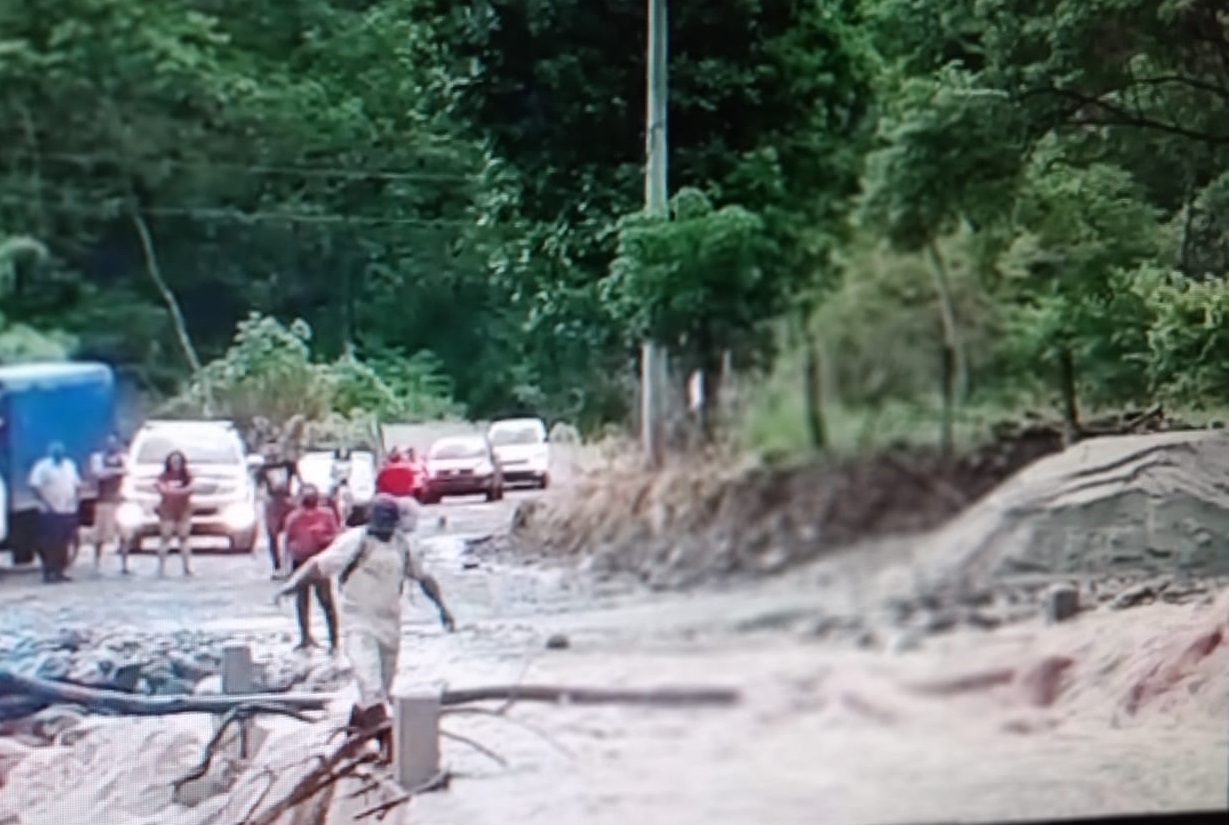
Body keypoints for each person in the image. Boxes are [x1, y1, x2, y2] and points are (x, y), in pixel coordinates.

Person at [276, 495, 455, 758]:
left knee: (380, 690)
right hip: (358, 625)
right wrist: (291, 585)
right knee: (371, 686)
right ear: (370, 518)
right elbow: (318, 565)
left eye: (388, 523)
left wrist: (443, 609)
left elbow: (424, 577)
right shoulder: (355, 541)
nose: (383, 528)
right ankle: (388, 748)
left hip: (389, 626)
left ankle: (354, 732)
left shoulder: (402, 545)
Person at [283, 484, 341, 652]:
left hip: (320, 562)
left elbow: (336, 536)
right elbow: (288, 541)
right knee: (302, 602)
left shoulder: (326, 515)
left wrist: (323, 539)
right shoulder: (294, 517)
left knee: (326, 602)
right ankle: (305, 637)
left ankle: (334, 640)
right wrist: (287, 565)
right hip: (300, 562)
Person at [28, 442, 82, 584]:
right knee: (50, 543)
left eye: (60, 452)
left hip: (67, 509)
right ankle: (48, 571)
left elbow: (76, 484)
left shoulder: (69, 465)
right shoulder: (43, 467)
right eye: (56, 452)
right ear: (51, 453)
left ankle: (60, 571)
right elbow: (35, 486)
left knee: (64, 542)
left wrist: (75, 501)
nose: (59, 455)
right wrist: (45, 502)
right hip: (49, 511)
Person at [257, 444, 300, 579]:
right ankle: (277, 566)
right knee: (273, 535)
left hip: (288, 501)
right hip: (273, 503)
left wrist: (296, 498)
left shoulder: (289, 465)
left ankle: (292, 565)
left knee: (293, 534)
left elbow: (300, 481)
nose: (273, 454)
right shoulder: (263, 469)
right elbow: (260, 489)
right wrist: (266, 500)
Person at [89, 434, 127, 572]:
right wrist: (115, 471)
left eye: (114, 443)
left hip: (118, 501)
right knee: (100, 534)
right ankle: (96, 562)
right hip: (103, 501)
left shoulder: (122, 458)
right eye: (109, 443)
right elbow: (98, 474)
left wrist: (113, 472)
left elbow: (127, 471)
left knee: (125, 534)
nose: (112, 446)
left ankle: (124, 564)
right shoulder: (98, 458)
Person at [157, 450, 194, 577]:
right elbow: (162, 489)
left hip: (183, 510)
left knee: (184, 538)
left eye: (178, 461)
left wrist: (172, 491)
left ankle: (187, 567)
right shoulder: (164, 476)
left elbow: (191, 488)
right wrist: (180, 492)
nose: (176, 463)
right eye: (173, 461)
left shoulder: (187, 476)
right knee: (165, 537)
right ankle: (161, 568)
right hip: (167, 510)